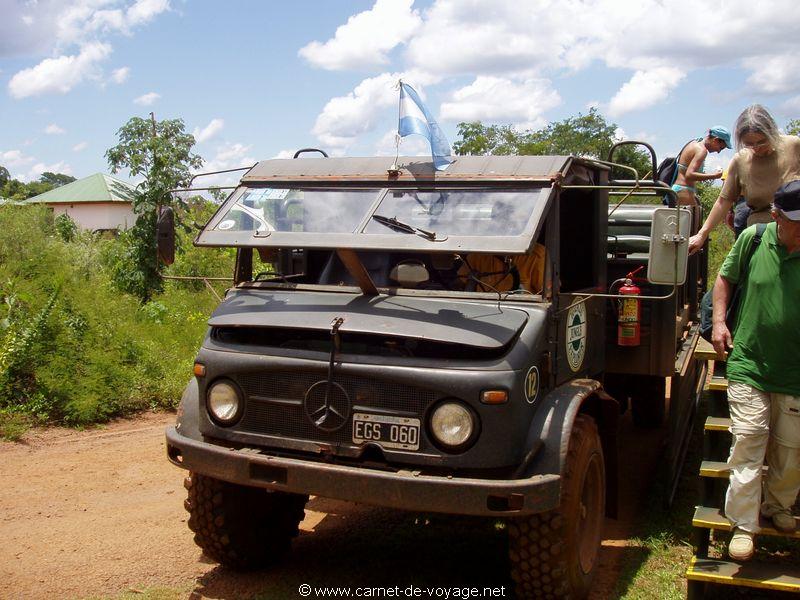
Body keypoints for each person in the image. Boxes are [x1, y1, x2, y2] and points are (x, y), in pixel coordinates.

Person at [711, 180, 800, 561]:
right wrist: (718, 323)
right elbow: (724, 280)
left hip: (794, 372)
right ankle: (744, 526)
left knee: (790, 451)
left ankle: (778, 507)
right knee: (748, 443)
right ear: (778, 215)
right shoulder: (753, 238)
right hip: (749, 362)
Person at [689, 105, 800, 255]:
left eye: (761, 142)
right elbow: (723, 201)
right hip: (760, 236)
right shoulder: (740, 160)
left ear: (772, 132)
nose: (756, 148)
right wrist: (702, 234)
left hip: (795, 232)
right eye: (749, 144)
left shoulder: (793, 145)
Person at [670, 127, 731, 205]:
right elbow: (689, 175)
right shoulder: (701, 150)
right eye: (720, 148)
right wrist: (715, 176)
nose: (718, 151)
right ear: (715, 140)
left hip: (681, 190)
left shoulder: (695, 142)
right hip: (684, 191)